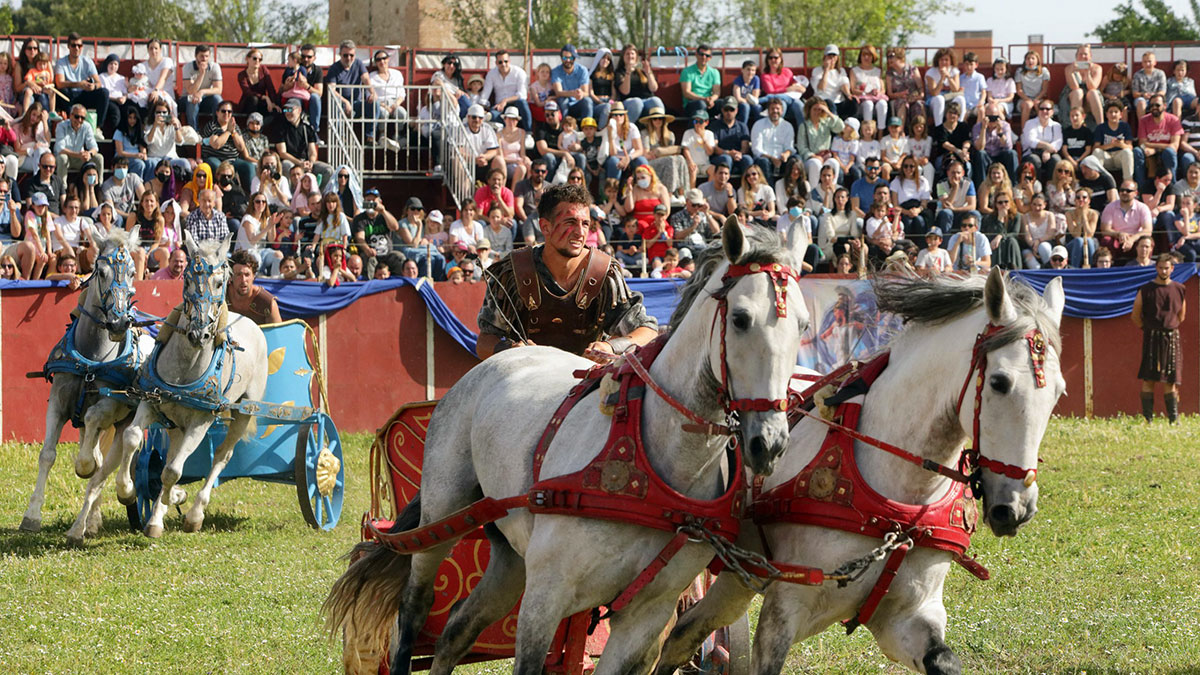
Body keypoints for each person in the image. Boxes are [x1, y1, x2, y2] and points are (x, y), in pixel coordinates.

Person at [476, 183, 658, 360]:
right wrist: (510, 350)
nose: (580, 232)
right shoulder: (515, 270)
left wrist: (611, 347)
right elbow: (484, 342)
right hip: (524, 374)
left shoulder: (603, 272)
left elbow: (647, 330)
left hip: (586, 378)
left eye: (585, 224)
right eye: (570, 222)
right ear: (545, 226)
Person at [1132, 252, 1186, 423]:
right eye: (1161, 268)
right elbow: (1135, 316)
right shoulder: (1146, 289)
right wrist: (1148, 329)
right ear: (1156, 268)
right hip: (1152, 337)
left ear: (1172, 269)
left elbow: (1181, 316)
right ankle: (1148, 419)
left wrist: (1168, 327)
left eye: (1166, 268)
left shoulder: (1179, 289)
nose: (1163, 271)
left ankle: (1173, 419)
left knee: (1170, 381)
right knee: (1149, 379)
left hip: (1171, 337)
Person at [55, 33, 114, 136]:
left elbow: (98, 83)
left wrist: (93, 86)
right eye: (73, 45)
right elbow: (59, 83)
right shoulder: (61, 62)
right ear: (68, 46)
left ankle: (97, 128)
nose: (76, 48)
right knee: (62, 91)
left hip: (84, 94)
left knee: (104, 92)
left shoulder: (87, 61)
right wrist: (79, 84)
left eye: (79, 45)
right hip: (69, 96)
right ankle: (70, 126)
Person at [1134, 93, 1191, 187]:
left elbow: (1174, 146)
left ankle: (1172, 187)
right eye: (1151, 105)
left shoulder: (1173, 120)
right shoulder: (1143, 120)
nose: (1154, 107)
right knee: (1137, 151)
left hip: (1166, 153)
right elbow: (1142, 144)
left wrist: (1154, 149)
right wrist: (1150, 147)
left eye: (1157, 105)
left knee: (1169, 152)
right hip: (1149, 153)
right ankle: (1141, 187)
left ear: (1164, 106)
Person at [275, 98, 333, 185]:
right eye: (286, 110)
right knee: (286, 165)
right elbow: (282, 153)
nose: (288, 113)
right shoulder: (281, 129)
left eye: (290, 109)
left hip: (305, 162)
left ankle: (316, 192)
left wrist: (311, 163)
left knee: (328, 170)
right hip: (291, 162)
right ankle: (291, 193)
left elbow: (312, 151)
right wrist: (299, 163)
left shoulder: (307, 128)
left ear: (299, 110)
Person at [202, 101, 254, 189]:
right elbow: (216, 145)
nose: (226, 113)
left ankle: (250, 193)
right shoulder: (212, 126)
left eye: (229, 111)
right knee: (219, 167)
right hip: (215, 158)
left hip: (232, 160)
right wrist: (228, 131)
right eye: (223, 111)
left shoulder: (235, 127)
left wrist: (233, 132)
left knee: (249, 166)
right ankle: (224, 190)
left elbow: (241, 147)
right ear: (217, 113)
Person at [796, 97, 845, 188]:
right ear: (809, 110)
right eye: (815, 109)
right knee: (816, 163)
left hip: (826, 156)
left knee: (834, 163)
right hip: (811, 159)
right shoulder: (804, 126)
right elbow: (801, 147)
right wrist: (814, 156)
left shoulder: (826, 123)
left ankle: (831, 189)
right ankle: (814, 191)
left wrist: (829, 112)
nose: (817, 112)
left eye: (820, 110)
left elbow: (840, 127)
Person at [1099, 179, 1153, 260]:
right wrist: (1119, 234)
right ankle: (1109, 265)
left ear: (1136, 193)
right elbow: (1105, 230)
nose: (1124, 193)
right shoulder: (1110, 207)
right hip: (1116, 239)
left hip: (1136, 240)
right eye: (1122, 190)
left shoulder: (1143, 208)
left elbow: (1148, 230)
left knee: (1147, 242)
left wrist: (1132, 239)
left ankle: (1144, 265)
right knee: (1106, 240)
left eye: (1128, 191)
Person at [227, 249, 282, 324]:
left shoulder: (267, 303)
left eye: (247, 275)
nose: (243, 280)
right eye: (238, 275)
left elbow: (276, 331)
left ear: (253, 276)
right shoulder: (221, 296)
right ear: (231, 277)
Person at [614, 44, 663, 126]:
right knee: (637, 102)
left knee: (656, 101)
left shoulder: (642, 71)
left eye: (632, 54)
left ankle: (659, 130)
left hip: (646, 100)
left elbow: (654, 88)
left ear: (636, 57)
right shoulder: (619, 72)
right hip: (630, 102)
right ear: (623, 57)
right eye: (627, 54)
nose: (630, 56)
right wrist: (628, 72)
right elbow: (625, 91)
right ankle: (626, 128)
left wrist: (648, 72)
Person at [177, 44, 223, 131]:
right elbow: (191, 91)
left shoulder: (215, 67)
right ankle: (194, 132)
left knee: (218, 99)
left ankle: (217, 130)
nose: (204, 59)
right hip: (187, 98)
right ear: (196, 56)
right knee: (192, 100)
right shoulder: (187, 67)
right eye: (201, 56)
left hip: (205, 98)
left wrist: (202, 92)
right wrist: (202, 74)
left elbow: (218, 90)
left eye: (206, 56)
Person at [482, 49, 530, 131]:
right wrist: (482, 107)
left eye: (506, 61)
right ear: (496, 63)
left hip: (516, 105)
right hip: (500, 107)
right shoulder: (491, 74)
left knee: (522, 103)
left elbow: (522, 95)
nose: (503, 64)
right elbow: (485, 95)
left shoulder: (519, 72)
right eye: (500, 62)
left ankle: (528, 132)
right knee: (491, 115)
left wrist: (505, 101)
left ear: (509, 61)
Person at [55, 103, 104, 181]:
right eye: (77, 117)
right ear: (71, 115)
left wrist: (89, 154)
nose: (79, 120)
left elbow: (94, 147)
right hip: (67, 158)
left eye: (82, 118)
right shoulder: (61, 126)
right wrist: (78, 155)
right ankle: (62, 187)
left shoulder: (87, 126)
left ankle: (99, 185)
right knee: (62, 158)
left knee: (99, 158)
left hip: (81, 158)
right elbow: (60, 149)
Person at [281, 44, 324, 132]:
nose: (306, 59)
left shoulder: (317, 70)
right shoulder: (290, 68)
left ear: (314, 58)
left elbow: (319, 93)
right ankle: (289, 132)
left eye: (309, 57)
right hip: (294, 98)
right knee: (290, 105)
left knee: (315, 97)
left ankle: (314, 130)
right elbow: (280, 90)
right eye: (303, 56)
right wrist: (287, 86)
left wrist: (306, 86)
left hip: (308, 100)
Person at [750, 98, 794, 183]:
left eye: (777, 109)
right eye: (772, 109)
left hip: (782, 159)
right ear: (768, 111)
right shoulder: (758, 124)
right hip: (765, 159)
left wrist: (786, 154)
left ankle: (791, 189)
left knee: (795, 160)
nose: (775, 111)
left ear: (782, 111)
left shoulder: (788, 126)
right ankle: (769, 189)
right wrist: (772, 159)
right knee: (763, 162)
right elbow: (756, 150)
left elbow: (789, 147)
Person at [1091, 100, 1135, 180]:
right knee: (1097, 152)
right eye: (1110, 112)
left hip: (1119, 156)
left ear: (1121, 114)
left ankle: (1128, 181)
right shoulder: (1100, 127)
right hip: (1106, 156)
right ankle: (1098, 181)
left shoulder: (1125, 126)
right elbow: (1095, 147)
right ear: (1106, 114)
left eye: (1116, 112)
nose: (1113, 114)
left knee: (1127, 152)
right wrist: (1111, 145)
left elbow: (1130, 147)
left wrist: (1121, 145)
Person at [1022, 98, 1063, 182]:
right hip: (1032, 152)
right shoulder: (1030, 123)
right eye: (1042, 109)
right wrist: (1046, 146)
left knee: (1056, 159)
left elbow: (1058, 142)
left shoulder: (1056, 125)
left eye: (1047, 109)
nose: (1044, 111)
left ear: (1052, 112)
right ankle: (1036, 185)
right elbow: (1030, 141)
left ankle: (1051, 185)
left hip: (1050, 153)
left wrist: (1047, 151)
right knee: (1034, 160)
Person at [884, 47, 925, 129]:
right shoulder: (889, 74)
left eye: (891, 56)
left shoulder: (913, 69)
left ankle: (919, 131)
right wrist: (900, 94)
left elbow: (920, 88)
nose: (889, 59)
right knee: (902, 103)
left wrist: (920, 95)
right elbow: (890, 94)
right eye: (887, 57)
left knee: (918, 104)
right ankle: (900, 131)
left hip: (913, 97)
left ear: (899, 56)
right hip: (899, 99)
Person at [925, 48, 966, 127]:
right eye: (941, 60)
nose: (944, 62)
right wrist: (942, 78)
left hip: (949, 99)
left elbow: (955, 89)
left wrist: (948, 76)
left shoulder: (954, 71)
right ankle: (939, 128)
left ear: (951, 61)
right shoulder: (931, 73)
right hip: (934, 101)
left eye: (946, 60)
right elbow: (934, 93)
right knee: (939, 98)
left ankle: (959, 127)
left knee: (961, 99)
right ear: (937, 61)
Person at [1064, 44, 1104, 125]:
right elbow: (1074, 87)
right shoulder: (1069, 68)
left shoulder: (1097, 68)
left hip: (1091, 95)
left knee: (1093, 92)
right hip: (1074, 95)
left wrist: (1087, 73)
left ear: (1090, 56)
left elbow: (1092, 87)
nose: (1083, 56)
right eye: (1080, 54)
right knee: (1078, 92)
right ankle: (1076, 125)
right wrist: (1071, 73)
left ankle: (1101, 125)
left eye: (1085, 54)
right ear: (1076, 56)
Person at [811, 44, 855, 119]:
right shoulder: (817, 71)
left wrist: (849, 95)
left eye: (834, 56)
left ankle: (851, 123)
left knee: (854, 103)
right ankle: (835, 123)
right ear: (825, 57)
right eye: (829, 56)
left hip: (839, 100)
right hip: (823, 100)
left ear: (837, 58)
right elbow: (821, 88)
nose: (832, 58)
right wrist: (826, 70)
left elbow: (843, 84)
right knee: (830, 103)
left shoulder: (841, 71)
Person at [679, 44, 721, 118]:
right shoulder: (687, 71)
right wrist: (703, 99)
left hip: (709, 102)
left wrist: (711, 100)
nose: (704, 57)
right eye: (701, 54)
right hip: (692, 104)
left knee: (723, 104)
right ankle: (698, 125)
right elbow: (686, 93)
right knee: (701, 104)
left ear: (710, 58)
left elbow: (716, 92)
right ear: (696, 55)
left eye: (707, 56)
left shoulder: (715, 72)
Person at [1014, 50, 1050, 130]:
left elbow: (1044, 90)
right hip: (1024, 99)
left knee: (1040, 105)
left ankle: (1044, 130)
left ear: (1037, 60)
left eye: (1033, 58)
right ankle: (1024, 132)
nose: (1030, 60)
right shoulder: (1020, 71)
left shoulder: (1044, 71)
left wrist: (1036, 99)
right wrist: (1029, 100)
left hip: (1038, 98)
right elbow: (1019, 90)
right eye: (1028, 58)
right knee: (1028, 104)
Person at [1131, 51, 1167, 121]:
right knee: (1141, 102)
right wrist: (1143, 94)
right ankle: (1142, 125)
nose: (1147, 64)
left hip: (1156, 97)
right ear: (1142, 63)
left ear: (1155, 62)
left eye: (1149, 61)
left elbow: (1163, 91)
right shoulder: (1137, 75)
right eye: (1145, 62)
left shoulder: (1160, 74)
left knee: (1158, 102)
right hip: (1142, 98)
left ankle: (1159, 125)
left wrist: (1154, 96)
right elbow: (1134, 93)